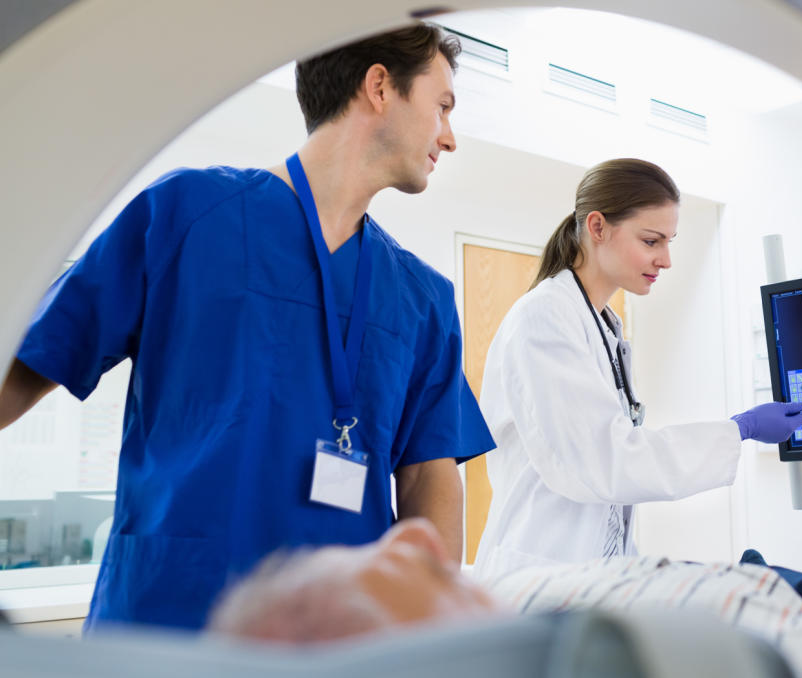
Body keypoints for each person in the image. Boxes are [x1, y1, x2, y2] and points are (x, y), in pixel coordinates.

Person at [0, 21, 494, 631]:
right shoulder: (183, 215)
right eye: (442, 106)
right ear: (379, 87)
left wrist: (430, 631)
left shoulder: (422, 298)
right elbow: (30, 363)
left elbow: (429, 475)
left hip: (338, 643)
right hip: (169, 620)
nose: (449, 138)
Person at [472, 158, 802, 579]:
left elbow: (609, 496)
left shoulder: (601, 326)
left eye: (669, 241)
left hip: (587, 578)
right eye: (652, 241)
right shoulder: (543, 319)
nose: (666, 259)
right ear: (597, 227)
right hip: (540, 573)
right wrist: (738, 429)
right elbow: (607, 461)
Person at [209, 520, 802, 678]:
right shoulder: (690, 669)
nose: (416, 536)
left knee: (763, 568)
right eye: (387, 562)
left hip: (712, 580)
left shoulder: (502, 592)